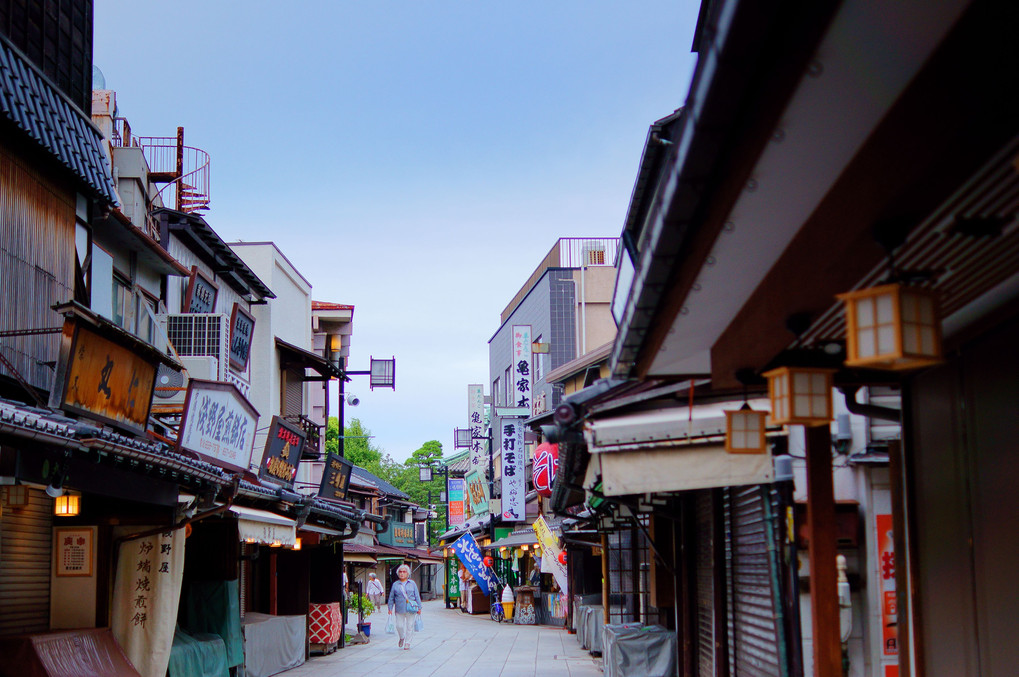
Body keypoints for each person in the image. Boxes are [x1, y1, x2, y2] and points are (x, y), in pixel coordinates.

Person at [387, 564, 422, 650]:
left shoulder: (412, 583)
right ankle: (402, 637)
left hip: (411, 608)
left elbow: (417, 595)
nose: (402, 573)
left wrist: (419, 607)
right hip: (399, 608)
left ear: (407, 573)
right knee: (399, 626)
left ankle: (407, 643)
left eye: (404, 572)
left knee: (410, 626)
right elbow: (391, 597)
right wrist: (390, 608)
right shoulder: (395, 584)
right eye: (400, 572)